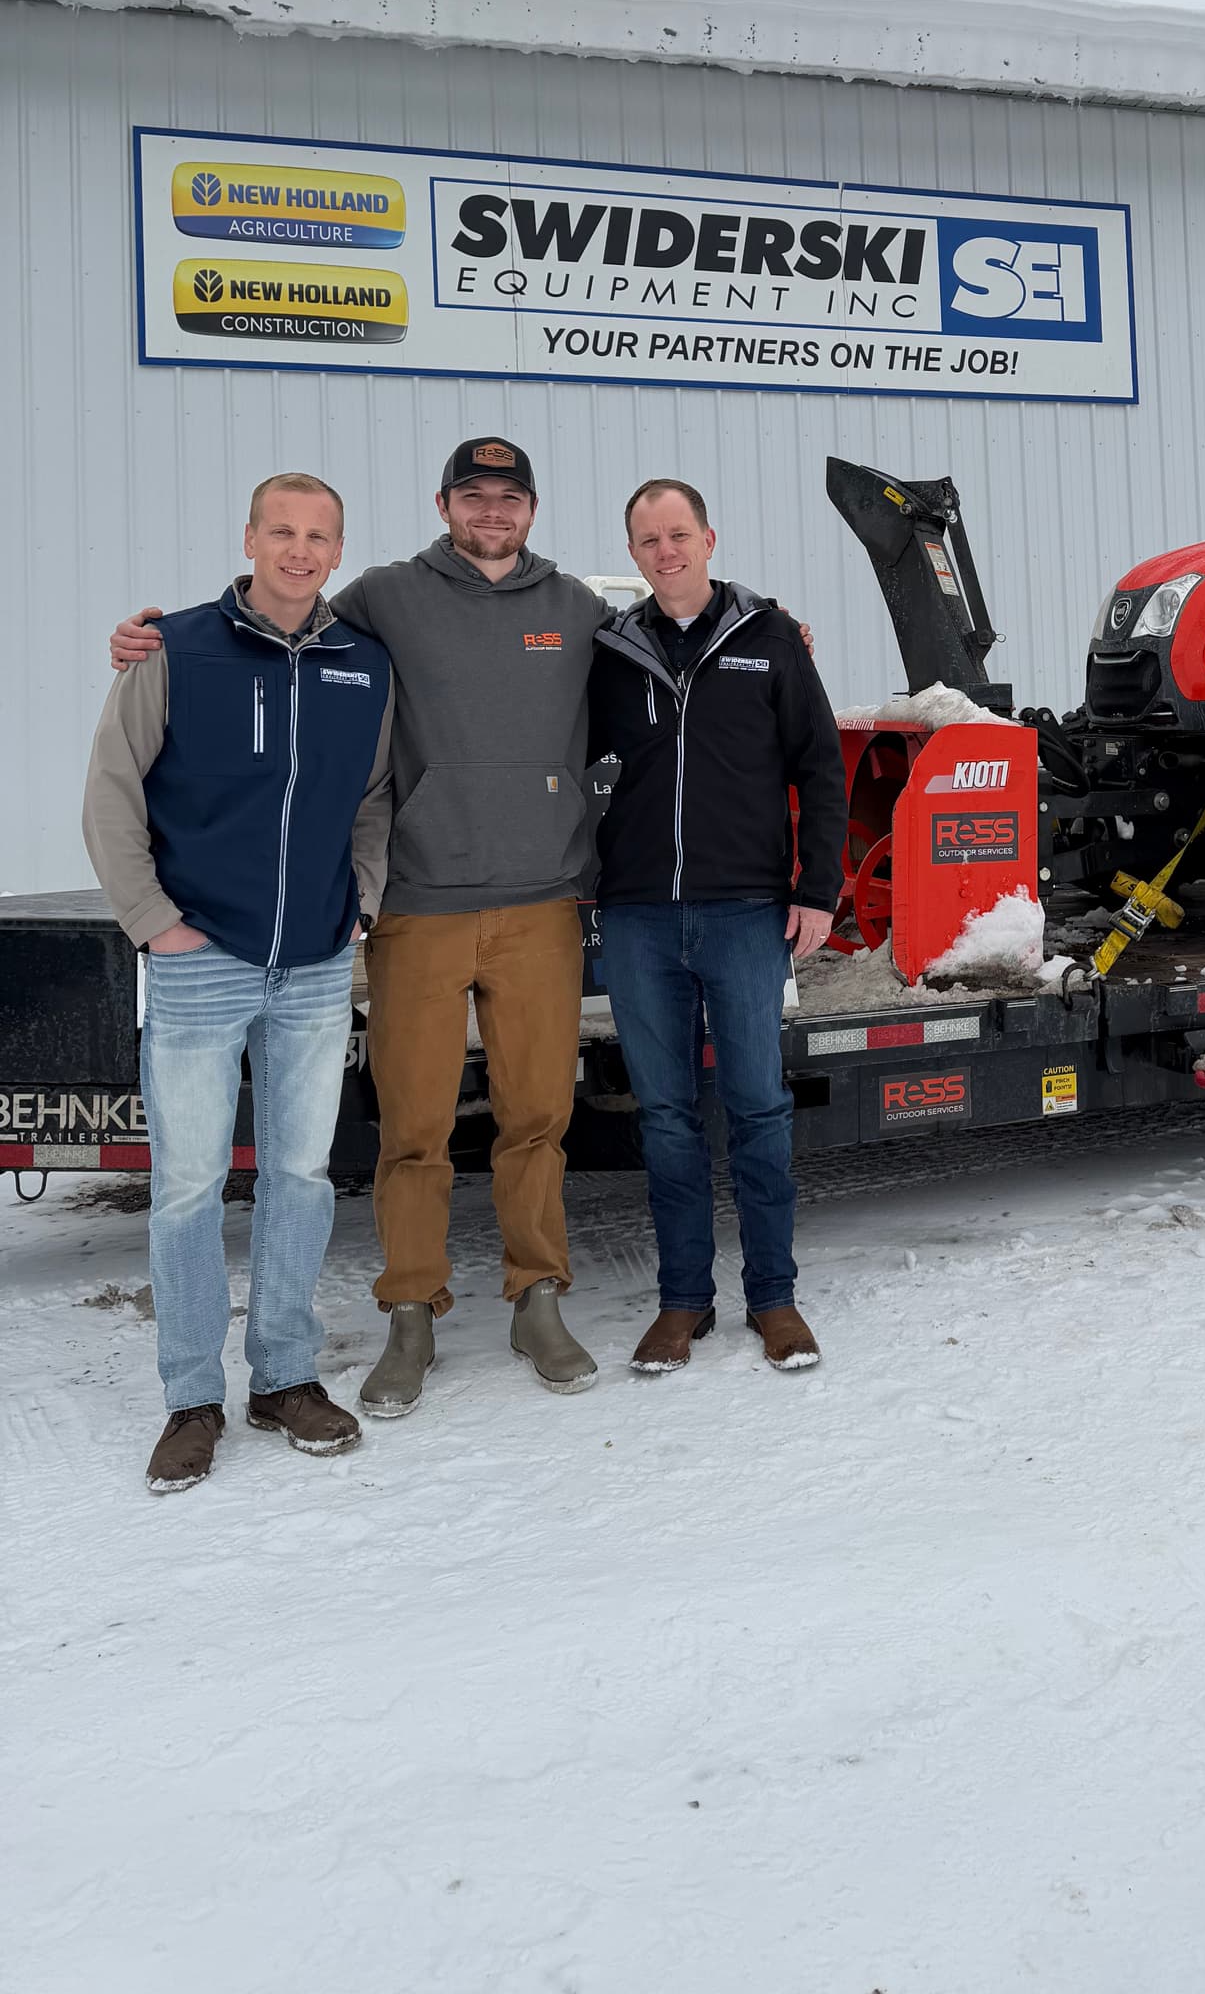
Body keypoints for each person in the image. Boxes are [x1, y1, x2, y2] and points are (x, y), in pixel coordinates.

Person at [112, 438, 606, 1412]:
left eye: (509, 497)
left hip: (541, 903)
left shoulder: (578, 608)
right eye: (474, 495)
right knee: (414, 1127)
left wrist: (772, 626)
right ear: (444, 504)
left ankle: (538, 1298)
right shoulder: (383, 594)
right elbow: (273, 625)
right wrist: (148, 644)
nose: (493, 511)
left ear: (532, 509)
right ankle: (412, 1311)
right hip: (419, 908)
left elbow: (664, 657)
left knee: (539, 1119)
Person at [83, 473, 394, 1494]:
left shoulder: (363, 665)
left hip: (314, 963)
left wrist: (361, 901)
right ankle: (190, 1398)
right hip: (199, 960)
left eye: (318, 536)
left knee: (300, 1176)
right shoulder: (174, 649)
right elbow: (112, 791)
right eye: (282, 531)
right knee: (186, 1187)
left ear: (337, 551)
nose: (300, 551)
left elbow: (374, 798)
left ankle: (284, 1378)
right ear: (250, 538)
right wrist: (152, 922)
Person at [589, 477, 848, 1373]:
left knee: (759, 1110)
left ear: (708, 539)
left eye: (678, 535)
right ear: (633, 555)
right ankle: (683, 1301)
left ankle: (773, 1298)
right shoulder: (611, 652)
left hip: (745, 912)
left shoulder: (768, 640)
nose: (665, 552)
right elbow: (561, 754)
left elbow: (820, 768)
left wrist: (818, 888)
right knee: (665, 1117)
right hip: (638, 917)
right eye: (648, 540)